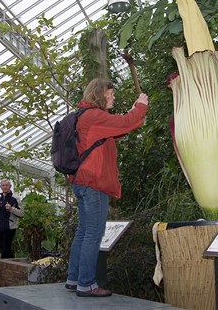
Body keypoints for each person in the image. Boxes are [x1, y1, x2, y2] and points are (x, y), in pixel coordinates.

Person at [65, 78, 148, 297]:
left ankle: (74, 279)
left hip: (82, 181)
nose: (113, 97)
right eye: (110, 94)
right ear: (99, 94)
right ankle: (86, 284)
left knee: (83, 232)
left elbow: (118, 129)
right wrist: (140, 106)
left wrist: (132, 113)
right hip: (94, 182)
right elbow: (123, 124)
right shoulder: (93, 115)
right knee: (94, 233)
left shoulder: (83, 116)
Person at [0, 179, 24, 258]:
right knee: (4, 249)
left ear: (10, 186)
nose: (5, 187)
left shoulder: (15, 198)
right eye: (3, 185)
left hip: (10, 227)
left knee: (5, 249)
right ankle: (12, 264)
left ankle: (2, 266)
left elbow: (21, 214)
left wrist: (11, 209)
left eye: (6, 185)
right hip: (0, 227)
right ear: (1, 187)